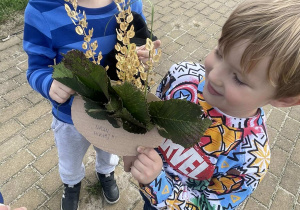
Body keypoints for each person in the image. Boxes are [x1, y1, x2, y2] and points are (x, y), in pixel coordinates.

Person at [128, 0, 300, 209]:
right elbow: (150, 114)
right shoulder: (181, 75)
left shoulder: (250, 157)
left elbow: (209, 205)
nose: (214, 75)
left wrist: (157, 182)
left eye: (238, 78)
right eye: (219, 53)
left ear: (284, 99)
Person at [23, 0, 160, 209]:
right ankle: (71, 182)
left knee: (109, 152)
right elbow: (36, 68)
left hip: (112, 115)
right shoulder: (42, 9)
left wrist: (142, 56)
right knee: (70, 156)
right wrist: (50, 84)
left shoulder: (130, 3)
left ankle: (105, 172)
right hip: (68, 116)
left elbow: (139, 38)